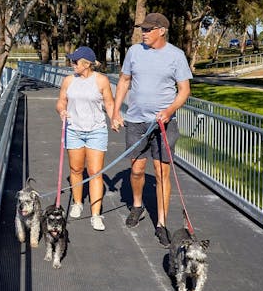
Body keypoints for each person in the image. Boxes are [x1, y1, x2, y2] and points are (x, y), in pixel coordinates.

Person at [111, 13, 192, 247]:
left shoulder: (176, 56)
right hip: (136, 121)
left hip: (164, 123)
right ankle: (137, 206)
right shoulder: (134, 52)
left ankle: (162, 223)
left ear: (161, 31)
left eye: (148, 29)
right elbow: (124, 81)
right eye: (142, 29)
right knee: (136, 170)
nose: (143, 33)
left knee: (161, 173)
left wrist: (170, 110)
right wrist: (116, 112)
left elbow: (184, 90)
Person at [56, 46, 116, 231]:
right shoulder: (68, 80)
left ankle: (96, 214)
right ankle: (77, 203)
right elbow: (61, 101)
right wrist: (61, 110)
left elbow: (109, 103)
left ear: (86, 64)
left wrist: (115, 118)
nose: (72, 64)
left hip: (96, 130)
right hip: (73, 130)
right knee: (76, 169)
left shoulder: (101, 80)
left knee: (95, 172)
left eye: (75, 62)